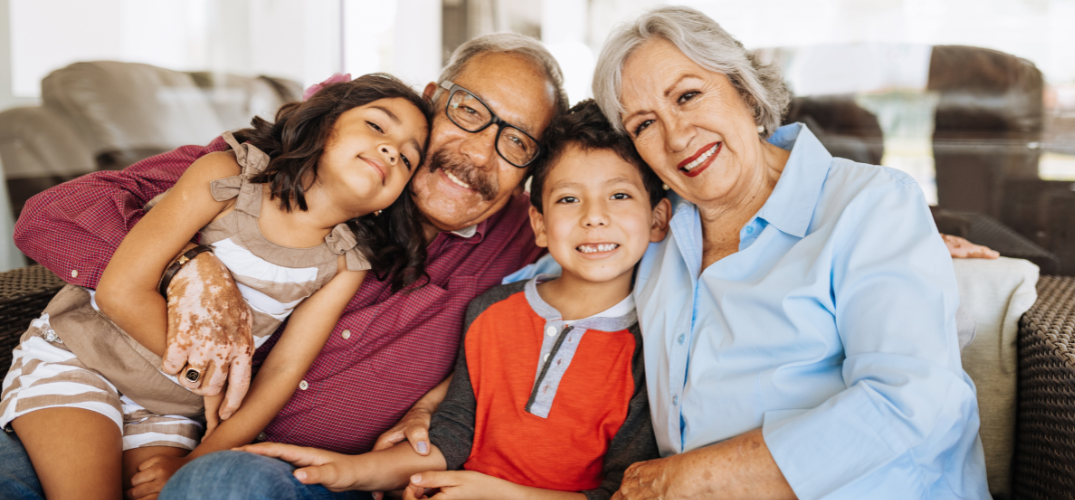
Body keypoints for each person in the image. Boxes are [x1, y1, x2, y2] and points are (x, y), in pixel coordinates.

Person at [390, 7, 995, 500]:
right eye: (645, 124)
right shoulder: (656, 227)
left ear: (743, 87)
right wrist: (431, 403)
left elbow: (912, 402)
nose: (677, 137)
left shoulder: (869, 209)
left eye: (688, 96)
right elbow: (538, 284)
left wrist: (689, 478)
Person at [2, 33, 566, 500]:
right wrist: (188, 266)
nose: (479, 152)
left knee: (211, 483)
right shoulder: (270, 171)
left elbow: (601, 257)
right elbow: (51, 218)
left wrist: (437, 401)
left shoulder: (525, 234)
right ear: (431, 99)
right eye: (470, 111)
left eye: (517, 142)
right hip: (99, 373)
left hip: (248, 455)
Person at [0, 74, 432, 500]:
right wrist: (209, 376)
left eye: (408, 159)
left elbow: (282, 372)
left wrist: (197, 460)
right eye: (377, 126)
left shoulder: (346, 262)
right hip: (85, 358)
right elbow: (120, 293)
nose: (391, 150)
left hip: (173, 409)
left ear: (390, 203)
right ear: (322, 123)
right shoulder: (228, 178)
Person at [225, 99, 667, 500]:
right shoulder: (492, 311)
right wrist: (351, 471)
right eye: (569, 198)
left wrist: (494, 494)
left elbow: (624, 489)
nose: (594, 217)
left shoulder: (651, 346)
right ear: (540, 224)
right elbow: (451, 436)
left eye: (620, 195)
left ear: (658, 218)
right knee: (228, 480)